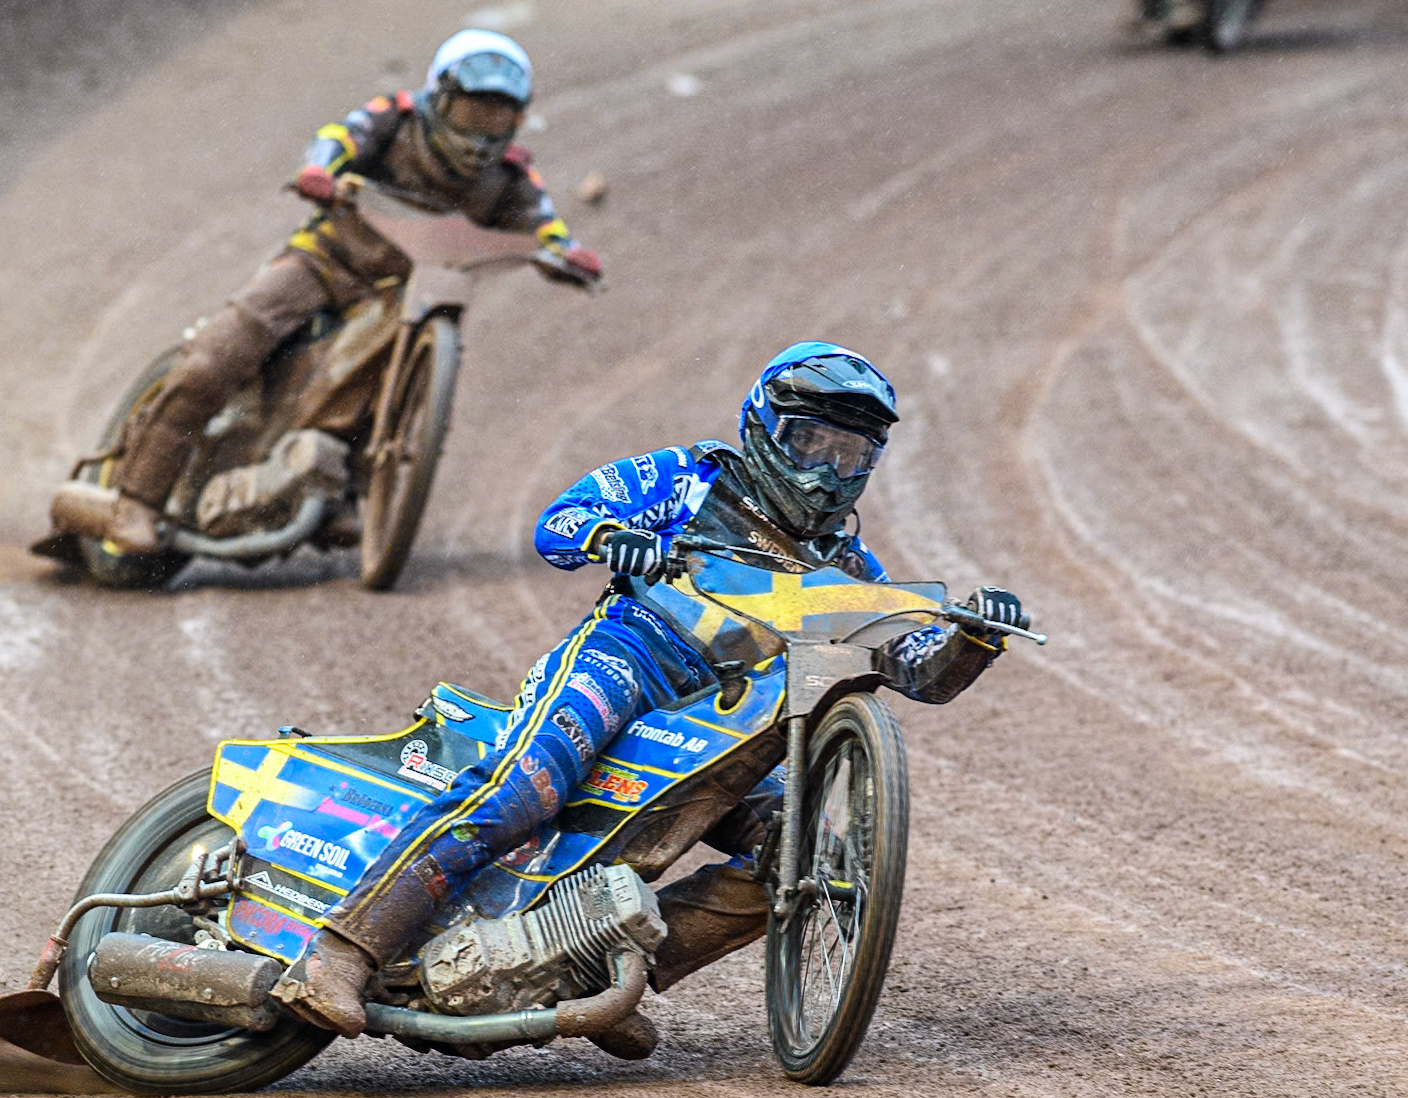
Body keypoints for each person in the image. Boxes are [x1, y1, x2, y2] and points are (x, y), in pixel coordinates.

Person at [272, 340, 1029, 1038]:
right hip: (626, 660)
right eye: (810, 444)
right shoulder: (692, 477)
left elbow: (916, 669)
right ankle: (342, 950)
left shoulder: (851, 568)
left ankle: (592, 978)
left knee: (799, 855)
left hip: (723, 717)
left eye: (848, 454)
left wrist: (972, 637)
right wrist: (613, 536)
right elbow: (559, 521)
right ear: (764, 428)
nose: (826, 471)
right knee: (522, 790)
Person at [85, 29, 601, 554]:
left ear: (516, 121)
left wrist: (565, 254)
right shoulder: (394, 118)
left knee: (380, 385)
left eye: (496, 120)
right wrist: (319, 170)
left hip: (401, 294)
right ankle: (136, 500)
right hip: (324, 262)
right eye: (471, 115)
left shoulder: (512, 175)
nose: (481, 135)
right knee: (217, 356)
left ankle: (341, 494)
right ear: (440, 99)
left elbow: (543, 225)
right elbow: (339, 137)